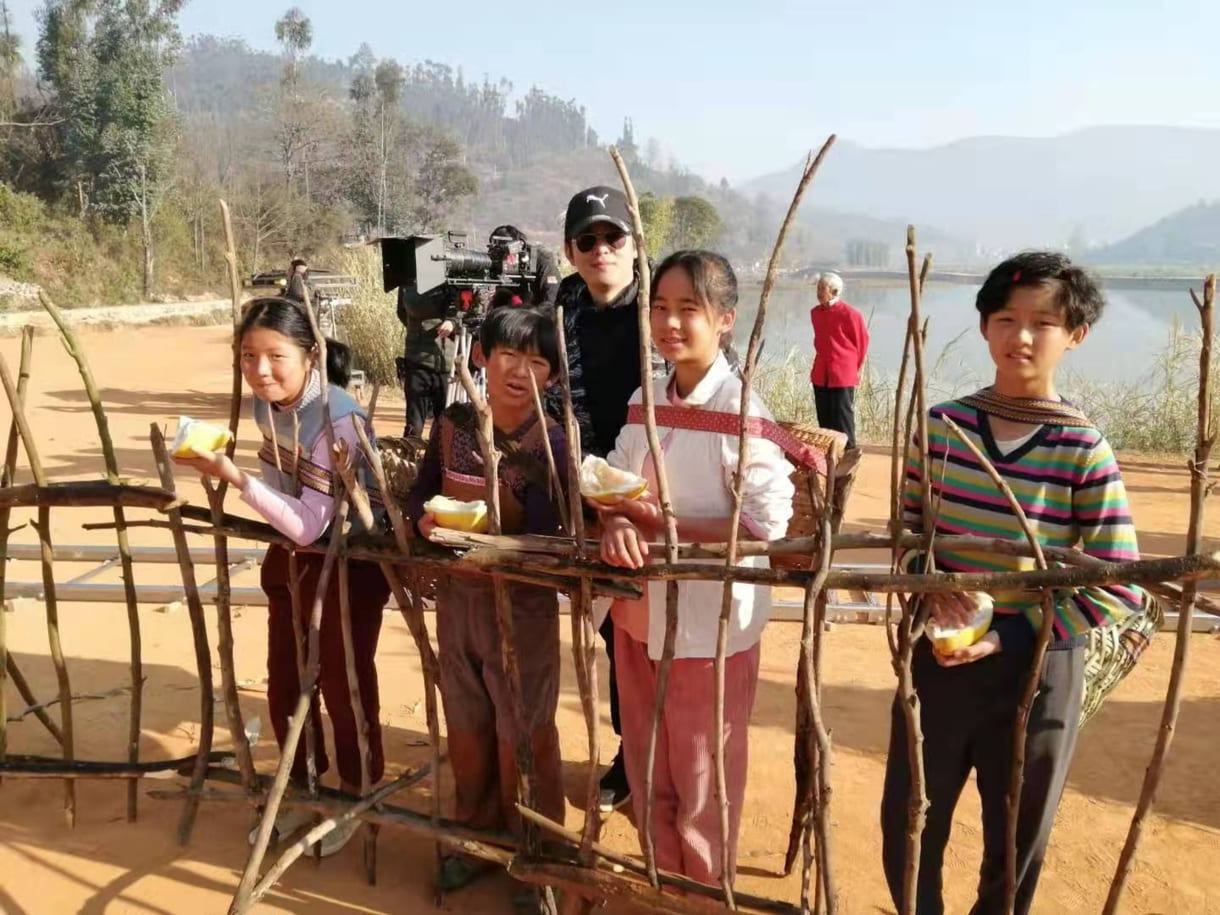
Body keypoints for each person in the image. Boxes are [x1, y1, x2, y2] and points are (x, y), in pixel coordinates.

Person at [880, 251, 1147, 915]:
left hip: (1037, 666)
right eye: (1006, 317)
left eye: (1043, 323)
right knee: (908, 822)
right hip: (939, 655)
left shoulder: (1082, 446)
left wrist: (1015, 631)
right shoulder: (941, 429)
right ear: (983, 325)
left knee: (1016, 840)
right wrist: (928, 585)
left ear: (1074, 336)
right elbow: (906, 535)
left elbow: (1121, 584)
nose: (1021, 336)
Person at [594, 250, 794, 886]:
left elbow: (764, 525)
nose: (669, 323)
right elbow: (613, 482)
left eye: (688, 310)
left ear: (725, 319)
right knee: (648, 764)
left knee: (703, 776)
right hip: (634, 612)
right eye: (659, 308)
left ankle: (704, 894)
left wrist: (658, 523)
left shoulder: (744, 411)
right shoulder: (643, 397)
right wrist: (618, 520)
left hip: (710, 628)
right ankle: (661, 885)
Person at [174, 297, 389, 857]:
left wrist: (235, 479)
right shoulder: (264, 405)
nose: (260, 369)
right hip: (291, 560)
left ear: (311, 356)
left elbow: (312, 522)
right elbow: (285, 495)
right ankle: (306, 784)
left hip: (348, 562)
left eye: (275, 356)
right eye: (248, 355)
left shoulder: (338, 420)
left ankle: (355, 792)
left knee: (344, 686)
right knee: (287, 681)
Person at [405, 306, 569, 902]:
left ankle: (536, 851)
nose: (520, 371)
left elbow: (554, 534)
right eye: (508, 355)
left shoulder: (553, 440)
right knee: (468, 721)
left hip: (521, 607)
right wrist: (424, 520)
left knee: (522, 726)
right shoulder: (450, 425)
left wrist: (502, 539)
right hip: (458, 600)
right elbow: (422, 493)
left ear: (551, 376)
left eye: (538, 361)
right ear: (482, 356)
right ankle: (475, 838)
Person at [544, 184, 662, 812]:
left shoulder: (663, 303)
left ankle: (659, 753)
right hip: (593, 491)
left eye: (613, 237)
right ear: (570, 250)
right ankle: (629, 750)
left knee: (663, 632)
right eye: (586, 240)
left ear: (633, 243)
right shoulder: (563, 309)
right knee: (615, 629)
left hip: (664, 486)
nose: (600, 250)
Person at [809, 271, 868, 449]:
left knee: (843, 421)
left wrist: (852, 369)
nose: (818, 292)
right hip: (821, 374)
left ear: (834, 292)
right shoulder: (815, 313)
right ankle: (829, 458)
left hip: (842, 375)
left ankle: (849, 458)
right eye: (818, 288)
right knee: (824, 422)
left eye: (822, 288)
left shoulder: (851, 314)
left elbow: (862, 343)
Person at [397, 284, 457, 439]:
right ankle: (409, 458)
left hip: (445, 363)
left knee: (445, 425)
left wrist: (452, 322)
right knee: (414, 423)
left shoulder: (452, 279)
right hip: (417, 359)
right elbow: (403, 311)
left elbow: (467, 310)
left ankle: (439, 461)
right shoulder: (408, 283)